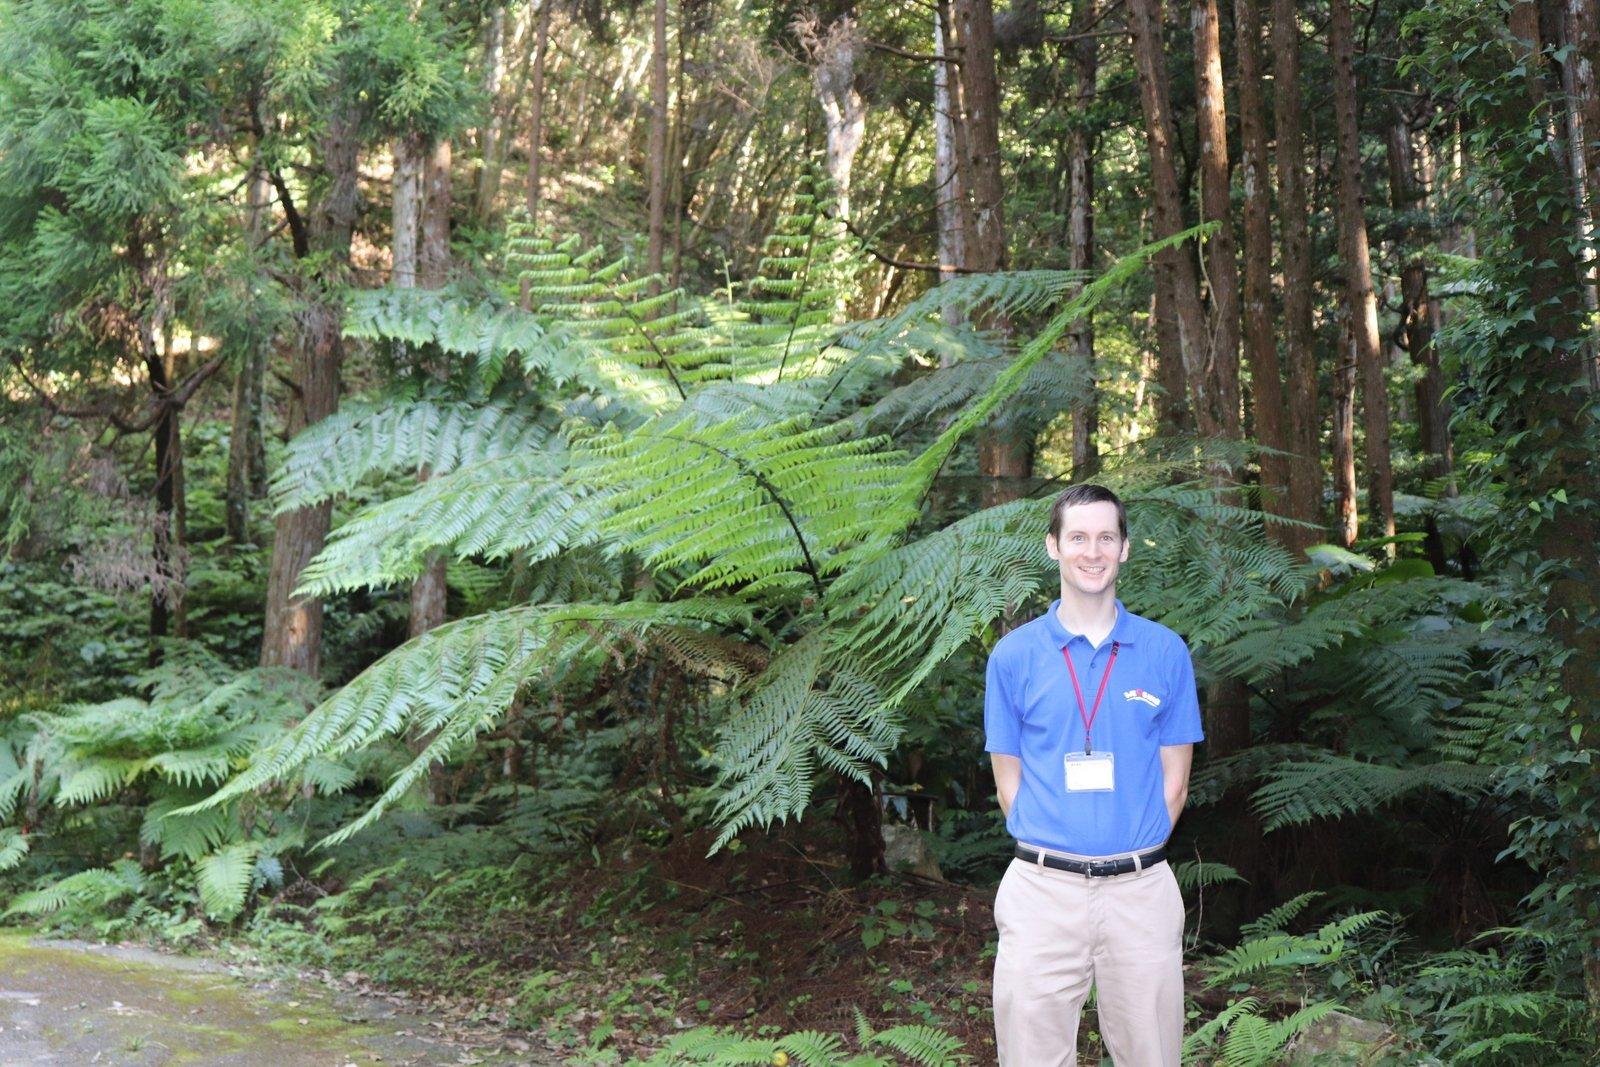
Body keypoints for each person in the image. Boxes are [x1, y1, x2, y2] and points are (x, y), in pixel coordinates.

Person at [984, 483, 1203, 1066]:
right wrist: (1060, 849)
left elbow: (1175, 781)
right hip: (1041, 893)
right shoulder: (1013, 657)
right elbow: (1009, 780)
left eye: (1106, 537)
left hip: (1141, 892)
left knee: (1152, 1056)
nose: (1093, 551)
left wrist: (1129, 849)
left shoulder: (1164, 652)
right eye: (1078, 537)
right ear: (1053, 546)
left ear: (1125, 549)